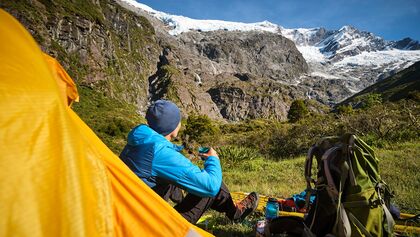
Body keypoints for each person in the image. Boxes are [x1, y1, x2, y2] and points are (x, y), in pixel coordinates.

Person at [119, 99, 259, 224]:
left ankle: (232, 210)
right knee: (212, 186)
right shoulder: (160, 153)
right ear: (172, 126)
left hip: (132, 214)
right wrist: (213, 159)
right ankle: (235, 213)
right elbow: (210, 186)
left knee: (171, 181)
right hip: (150, 225)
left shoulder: (140, 140)